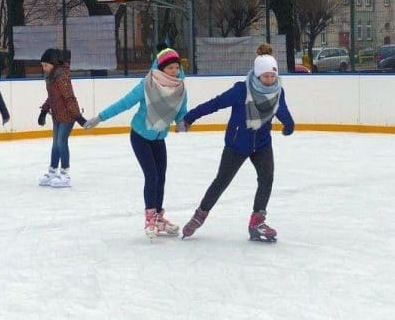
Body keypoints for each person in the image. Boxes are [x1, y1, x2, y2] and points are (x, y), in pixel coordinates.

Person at [179, 43, 294, 243]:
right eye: (265, 76)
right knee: (222, 181)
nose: (269, 80)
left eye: (272, 76)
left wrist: (289, 125)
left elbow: (281, 109)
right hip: (237, 143)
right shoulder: (242, 90)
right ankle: (200, 214)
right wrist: (189, 118)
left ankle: (257, 222)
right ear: (257, 75)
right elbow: (215, 104)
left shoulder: (278, 91)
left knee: (266, 179)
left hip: (262, 143)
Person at [84, 47, 188, 239]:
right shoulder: (146, 85)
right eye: (170, 68)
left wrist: (183, 122)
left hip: (159, 137)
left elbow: (182, 111)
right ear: (161, 68)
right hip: (140, 135)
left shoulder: (180, 88)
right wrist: (99, 118)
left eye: (176, 67)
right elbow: (124, 103)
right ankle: (149, 217)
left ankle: (158, 217)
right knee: (152, 176)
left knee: (161, 177)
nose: (174, 71)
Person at [37, 48, 87, 188]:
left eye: (46, 65)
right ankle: (53, 171)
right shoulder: (51, 77)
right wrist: (44, 111)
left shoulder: (61, 77)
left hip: (68, 115)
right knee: (55, 144)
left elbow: (69, 97)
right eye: (42, 65)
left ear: (53, 64)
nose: (44, 68)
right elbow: (52, 97)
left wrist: (78, 116)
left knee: (61, 142)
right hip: (57, 116)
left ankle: (65, 174)